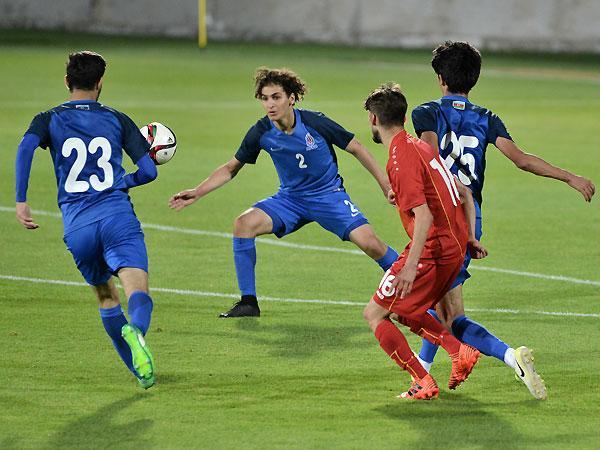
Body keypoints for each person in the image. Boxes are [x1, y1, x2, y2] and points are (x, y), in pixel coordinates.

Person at [409, 41, 595, 400]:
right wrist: (569, 177)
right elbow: (522, 159)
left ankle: (509, 356)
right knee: (440, 303)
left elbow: (429, 157)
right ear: (473, 79)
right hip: (471, 219)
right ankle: (424, 376)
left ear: (440, 79)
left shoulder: (426, 113)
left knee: (444, 312)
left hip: (442, 217)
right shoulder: (486, 117)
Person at [169, 67, 399, 318]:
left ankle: (415, 285)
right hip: (290, 200)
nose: (270, 104)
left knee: (371, 244)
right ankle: (248, 303)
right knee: (243, 224)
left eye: (276, 97)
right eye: (265, 98)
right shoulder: (261, 132)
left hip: (328, 196)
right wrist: (198, 191)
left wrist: (385, 185)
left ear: (291, 98)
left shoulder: (314, 122)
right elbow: (230, 168)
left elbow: (357, 148)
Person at [15, 51, 158, 389]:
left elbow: (25, 148)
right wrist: (123, 181)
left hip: (77, 226)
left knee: (107, 297)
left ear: (67, 81)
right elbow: (149, 171)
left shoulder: (48, 119)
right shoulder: (117, 119)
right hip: (116, 217)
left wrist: (21, 200)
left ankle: (141, 372)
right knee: (137, 290)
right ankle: (137, 332)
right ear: (100, 83)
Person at [363, 82, 487, 400]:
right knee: (403, 309)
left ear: (373, 119)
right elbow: (462, 192)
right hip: (454, 247)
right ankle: (457, 350)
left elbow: (425, 216)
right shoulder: (419, 146)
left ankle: (423, 380)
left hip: (433, 250)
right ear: (404, 118)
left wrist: (410, 266)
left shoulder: (399, 158)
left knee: (375, 314)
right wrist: (470, 237)